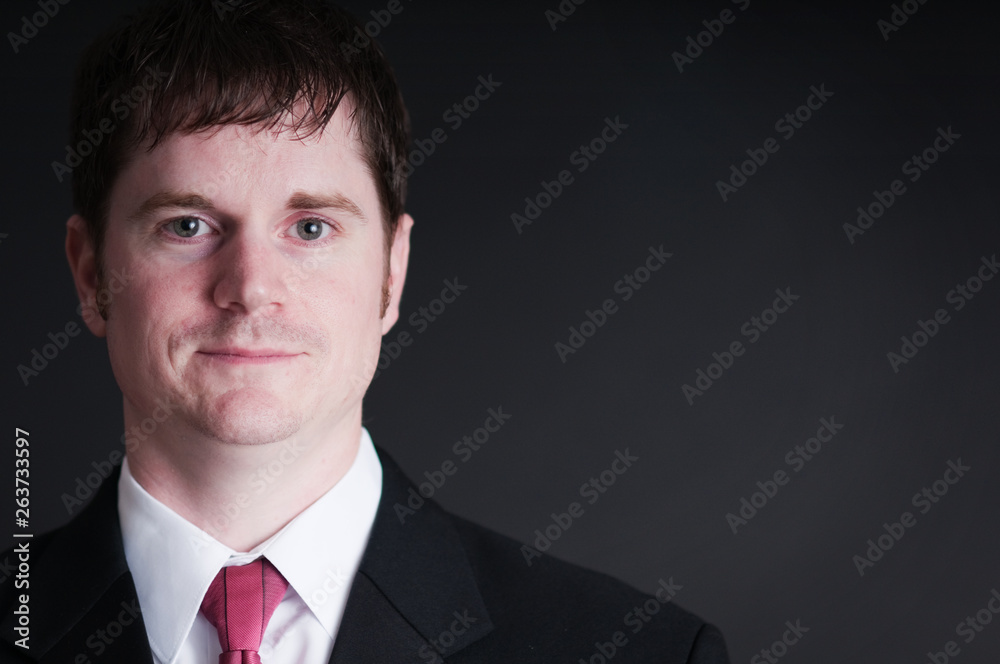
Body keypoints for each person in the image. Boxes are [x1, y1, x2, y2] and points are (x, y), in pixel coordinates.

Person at [0, 1, 730, 662]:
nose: (250, 287)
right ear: (91, 274)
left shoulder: (645, 653)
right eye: (187, 226)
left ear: (392, 272)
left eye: (310, 227)